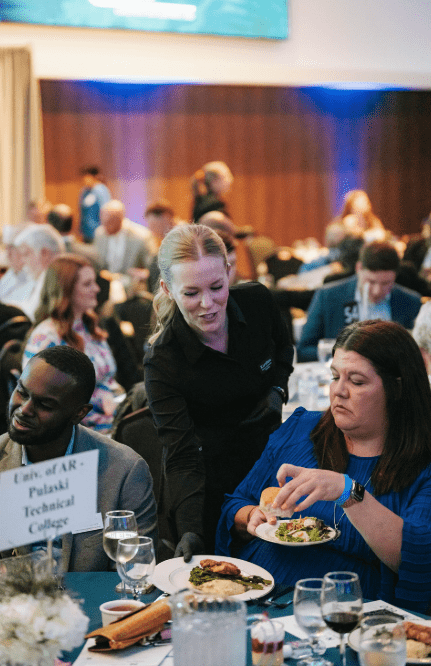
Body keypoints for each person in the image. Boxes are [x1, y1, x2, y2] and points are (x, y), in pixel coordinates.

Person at [216, 320, 431, 614]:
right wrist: (252, 516)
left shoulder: (422, 464)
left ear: (396, 389)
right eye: (334, 376)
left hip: (346, 613)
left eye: (356, 381)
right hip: (256, 595)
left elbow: (417, 559)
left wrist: (348, 492)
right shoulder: (301, 430)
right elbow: (236, 504)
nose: (338, 391)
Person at [143, 224, 294, 557]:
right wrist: (191, 530)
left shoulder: (256, 302)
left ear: (229, 272)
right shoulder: (163, 361)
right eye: (191, 293)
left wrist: (277, 391)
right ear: (168, 290)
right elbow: (182, 455)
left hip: (271, 468)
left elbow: (284, 351)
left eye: (216, 287)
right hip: (210, 485)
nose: (208, 304)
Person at [0, 345, 157, 572]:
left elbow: (136, 572)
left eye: (45, 404)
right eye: (22, 392)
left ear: (79, 414)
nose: (24, 409)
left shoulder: (124, 471)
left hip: (93, 604)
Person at [22, 255, 122, 434]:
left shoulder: (87, 325)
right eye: (87, 284)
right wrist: (104, 403)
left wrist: (120, 402)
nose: (97, 288)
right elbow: (45, 404)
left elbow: (109, 380)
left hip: (110, 415)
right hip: (78, 430)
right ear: (66, 291)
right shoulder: (46, 339)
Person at [297, 241, 422, 362]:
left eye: (386, 283)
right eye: (371, 282)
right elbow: (303, 350)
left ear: (395, 276)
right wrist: (339, 353)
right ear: (358, 268)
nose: (377, 291)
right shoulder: (328, 296)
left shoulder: (411, 301)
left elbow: (420, 350)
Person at [4, 224, 65, 321]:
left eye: (26, 254)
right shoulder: (42, 278)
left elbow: (32, 318)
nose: (23, 261)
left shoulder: (56, 281)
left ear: (44, 253)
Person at [95, 200, 155, 278]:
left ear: (120, 219)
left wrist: (142, 273)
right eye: (103, 222)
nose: (105, 228)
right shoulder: (99, 233)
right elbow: (97, 262)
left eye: (109, 223)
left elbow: (152, 268)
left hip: (131, 285)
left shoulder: (142, 236)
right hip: (105, 283)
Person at [79, 165, 111, 243]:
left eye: (87, 177)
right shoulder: (84, 191)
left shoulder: (101, 190)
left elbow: (106, 211)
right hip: (86, 232)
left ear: (94, 177)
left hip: (98, 232)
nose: (84, 180)